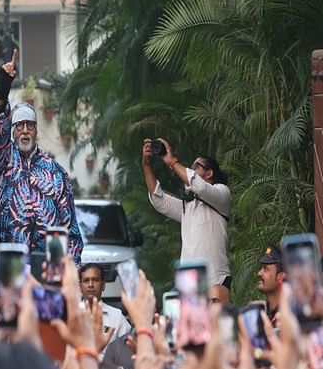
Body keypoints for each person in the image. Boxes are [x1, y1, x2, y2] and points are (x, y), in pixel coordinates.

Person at [0, 49, 83, 264]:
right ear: (12, 131)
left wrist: (71, 272)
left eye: (30, 125)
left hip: (48, 265)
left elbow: (70, 227)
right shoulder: (2, 163)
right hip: (11, 264)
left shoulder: (55, 172)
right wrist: (3, 86)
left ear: (36, 131)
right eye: (19, 126)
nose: (25, 131)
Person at [142, 138, 231, 304]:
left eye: (196, 167)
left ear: (209, 173)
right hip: (189, 286)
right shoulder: (188, 207)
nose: (190, 170)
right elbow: (158, 199)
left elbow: (200, 187)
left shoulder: (222, 193)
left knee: (216, 329)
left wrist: (172, 161)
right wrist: (146, 165)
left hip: (214, 281)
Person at [79, 263, 131, 344]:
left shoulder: (116, 317)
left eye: (95, 280)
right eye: (86, 280)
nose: (90, 285)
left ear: (103, 285)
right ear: (80, 287)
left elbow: (127, 348)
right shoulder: (71, 315)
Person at [256, 243, 284, 322]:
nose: (259, 273)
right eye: (261, 268)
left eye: (266, 269)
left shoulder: (290, 315)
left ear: (281, 277)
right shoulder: (260, 315)